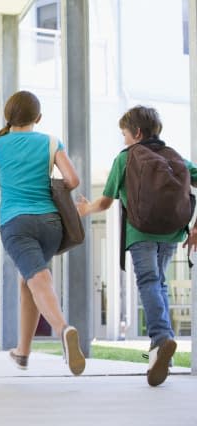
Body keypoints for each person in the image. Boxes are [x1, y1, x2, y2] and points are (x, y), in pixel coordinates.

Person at [77, 105, 197, 386]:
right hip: (171, 232)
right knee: (159, 283)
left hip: (140, 232)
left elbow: (105, 202)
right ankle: (158, 352)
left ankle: (161, 339)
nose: (123, 140)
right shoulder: (176, 157)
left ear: (137, 133)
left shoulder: (126, 158)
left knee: (148, 282)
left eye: (124, 134)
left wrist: (86, 209)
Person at [0, 90, 85, 376]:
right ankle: (23, 352)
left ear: (8, 115)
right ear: (38, 118)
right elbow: (73, 180)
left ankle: (64, 330)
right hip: (51, 223)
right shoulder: (51, 142)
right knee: (29, 280)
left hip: (16, 223)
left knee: (38, 279)